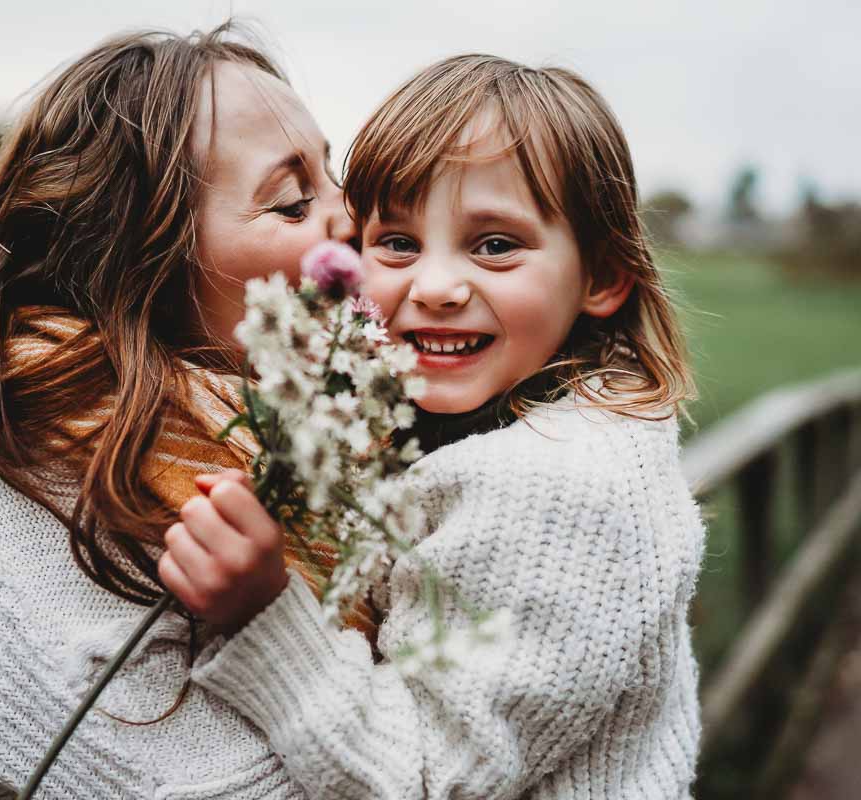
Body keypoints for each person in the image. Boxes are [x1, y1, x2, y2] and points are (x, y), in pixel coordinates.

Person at [0, 24, 359, 799]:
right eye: (291, 200)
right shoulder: (26, 472)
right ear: (143, 262)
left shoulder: (345, 436)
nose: (351, 218)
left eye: (335, 174)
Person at [166, 55, 708, 799]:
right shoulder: (482, 428)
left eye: (495, 245)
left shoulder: (561, 489)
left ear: (603, 277)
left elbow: (426, 780)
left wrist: (265, 615)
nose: (437, 288)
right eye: (398, 243)